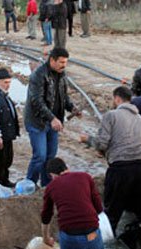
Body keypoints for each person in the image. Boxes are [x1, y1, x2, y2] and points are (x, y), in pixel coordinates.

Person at [81, 86, 141, 233]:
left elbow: (101, 143)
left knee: (111, 215)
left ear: (117, 98)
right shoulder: (140, 119)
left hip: (121, 169)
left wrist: (88, 140)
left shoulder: (111, 115)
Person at [41, 158, 104, 249]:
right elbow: (99, 208)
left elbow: (46, 215)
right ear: (66, 167)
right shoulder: (86, 177)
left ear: (52, 175)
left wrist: (46, 238)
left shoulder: (51, 187)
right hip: (92, 234)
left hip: (70, 237)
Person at [24, 47, 80, 187]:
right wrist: (52, 118)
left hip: (54, 122)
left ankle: (47, 186)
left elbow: (63, 95)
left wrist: (71, 107)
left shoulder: (62, 74)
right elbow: (36, 101)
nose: (64, 65)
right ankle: (29, 185)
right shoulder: (38, 75)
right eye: (61, 62)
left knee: (50, 158)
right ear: (52, 60)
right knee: (40, 157)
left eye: (66, 62)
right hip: (38, 122)